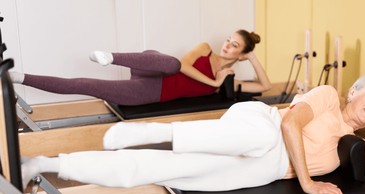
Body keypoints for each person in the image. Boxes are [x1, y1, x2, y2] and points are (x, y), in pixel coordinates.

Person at [21, 73, 365, 194]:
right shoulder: (328, 95)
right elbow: (291, 123)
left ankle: (49, 165)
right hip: (265, 129)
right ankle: (153, 132)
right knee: (258, 138)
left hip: (269, 168)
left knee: (160, 170)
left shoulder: (355, 141)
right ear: (354, 92)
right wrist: (309, 182)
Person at [10, 30, 271, 106]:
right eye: (228, 40)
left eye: (234, 45)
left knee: (84, 85)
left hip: (150, 90)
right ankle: (109, 57)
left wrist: (253, 58)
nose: (226, 45)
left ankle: (19, 77)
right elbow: (184, 66)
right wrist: (213, 83)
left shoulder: (228, 77)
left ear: (241, 53)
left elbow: (265, 87)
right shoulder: (205, 48)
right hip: (155, 67)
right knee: (172, 63)